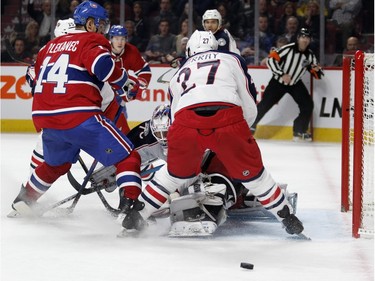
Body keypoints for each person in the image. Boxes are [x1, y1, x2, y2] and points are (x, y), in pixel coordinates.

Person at [120, 30, 305, 237]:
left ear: (189, 50)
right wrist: (242, 130)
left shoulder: (180, 71)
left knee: (172, 176)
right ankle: (288, 218)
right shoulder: (231, 58)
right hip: (228, 119)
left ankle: (135, 217)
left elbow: (175, 116)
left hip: (186, 123)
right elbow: (248, 99)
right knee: (255, 178)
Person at [10, 1, 143, 218]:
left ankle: (25, 199)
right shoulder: (92, 40)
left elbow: (32, 77)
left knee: (55, 164)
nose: (103, 31)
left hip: (46, 118)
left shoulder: (48, 47)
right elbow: (103, 66)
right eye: (101, 25)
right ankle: (130, 211)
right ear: (90, 24)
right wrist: (125, 81)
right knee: (128, 156)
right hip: (79, 115)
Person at [251, 28, 324, 141]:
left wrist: (313, 68)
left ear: (310, 40)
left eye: (307, 38)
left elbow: (318, 75)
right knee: (265, 104)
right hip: (278, 82)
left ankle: (299, 131)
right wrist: (282, 74)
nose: (305, 40)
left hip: (294, 83)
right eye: (302, 37)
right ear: (298, 38)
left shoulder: (310, 56)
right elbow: (271, 60)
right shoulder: (288, 49)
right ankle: (250, 126)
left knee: (307, 105)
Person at [107, 24, 152, 134]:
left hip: (119, 97)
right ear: (111, 39)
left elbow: (144, 70)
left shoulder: (131, 50)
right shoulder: (103, 51)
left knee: (122, 131)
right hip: (102, 95)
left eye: (123, 39)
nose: (120, 42)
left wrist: (138, 87)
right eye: (117, 39)